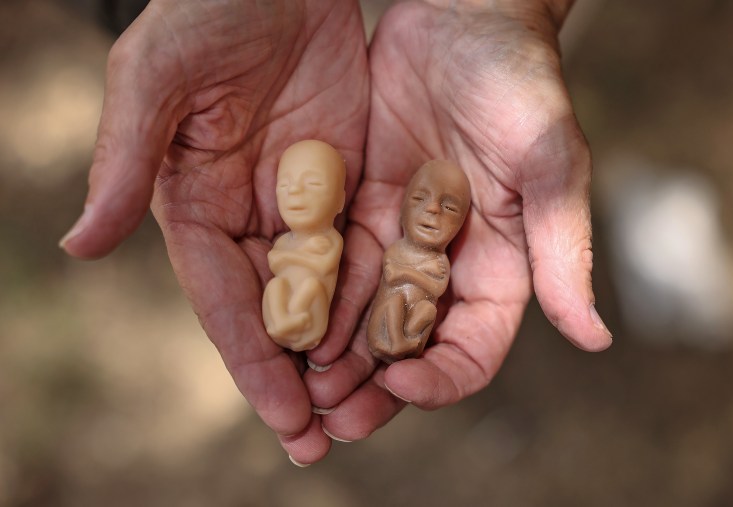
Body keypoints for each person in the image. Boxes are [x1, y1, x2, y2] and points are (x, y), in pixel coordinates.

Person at [59, 0, 612, 467]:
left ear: (341, 200)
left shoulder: (380, 251)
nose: (431, 213)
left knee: (399, 322)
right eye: (290, 185)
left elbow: (410, 280)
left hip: (398, 299)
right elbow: (318, 271)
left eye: (447, 208)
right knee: (314, 312)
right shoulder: (316, 243)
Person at [367, 160, 471, 363]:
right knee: (395, 299)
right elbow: (392, 275)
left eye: (449, 207)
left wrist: (408, 272)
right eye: (419, 198)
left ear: (458, 228)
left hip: (412, 331)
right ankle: (396, 341)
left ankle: (405, 341)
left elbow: (437, 289)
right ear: (401, 213)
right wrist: (420, 271)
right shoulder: (397, 249)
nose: (432, 208)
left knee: (428, 309)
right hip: (384, 324)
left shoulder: (440, 260)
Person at [263, 140, 346, 351]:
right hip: (281, 313)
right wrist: (302, 254)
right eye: (284, 185)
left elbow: (319, 268)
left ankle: (293, 321)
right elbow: (274, 262)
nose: (295, 191)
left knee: (311, 285)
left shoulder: (331, 239)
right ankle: (281, 323)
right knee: (275, 286)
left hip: (311, 316)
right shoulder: (284, 240)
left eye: (313, 184)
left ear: (340, 201)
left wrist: (290, 257)